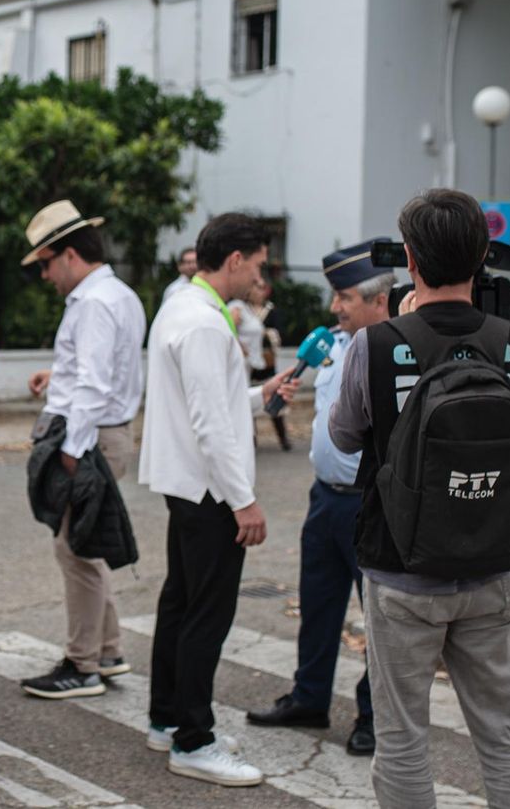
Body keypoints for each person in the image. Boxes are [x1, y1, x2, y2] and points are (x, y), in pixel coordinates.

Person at [330, 188, 510, 809]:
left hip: (401, 569)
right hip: (494, 566)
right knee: (503, 735)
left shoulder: (376, 344)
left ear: (411, 261)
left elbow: (344, 436)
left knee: (401, 740)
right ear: (481, 258)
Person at [140, 212, 294, 787]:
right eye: (256, 264)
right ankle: (194, 740)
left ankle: (167, 718)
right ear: (234, 259)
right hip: (208, 489)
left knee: (180, 602)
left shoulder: (182, 306)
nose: (259, 274)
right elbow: (210, 423)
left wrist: (261, 394)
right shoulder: (205, 321)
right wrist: (244, 500)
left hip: (185, 483)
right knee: (206, 612)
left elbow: (211, 402)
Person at [247, 240, 391, 755]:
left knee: (379, 616)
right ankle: (309, 699)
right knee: (319, 605)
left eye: (345, 297)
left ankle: (375, 716)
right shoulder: (333, 341)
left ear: (379, 300)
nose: (335, 307)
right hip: (325, 498)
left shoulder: (397, 351)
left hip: (371, 503)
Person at [18, 199, 145, 699]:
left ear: (70, 254)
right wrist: (58, 377)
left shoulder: (93, 302)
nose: (45, 275)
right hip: (105, 430)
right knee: (84, 544)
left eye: (46, 263)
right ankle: (106, 651)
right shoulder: (115, 294)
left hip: (91, 437)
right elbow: (101, 370)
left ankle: (82, 663)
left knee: (74, 549)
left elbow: (94, 384)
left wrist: (71, 448)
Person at [233, 278, 291, 451]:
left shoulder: (270, 310)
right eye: (256, 287)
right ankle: (251, 439)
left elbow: (281, 330)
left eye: (262, 288)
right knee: (248, 397)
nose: (259, 292)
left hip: (266, 360)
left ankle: (283, 437)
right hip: (248, 362)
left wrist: (269, 334)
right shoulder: (242, 308)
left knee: (274, 394)